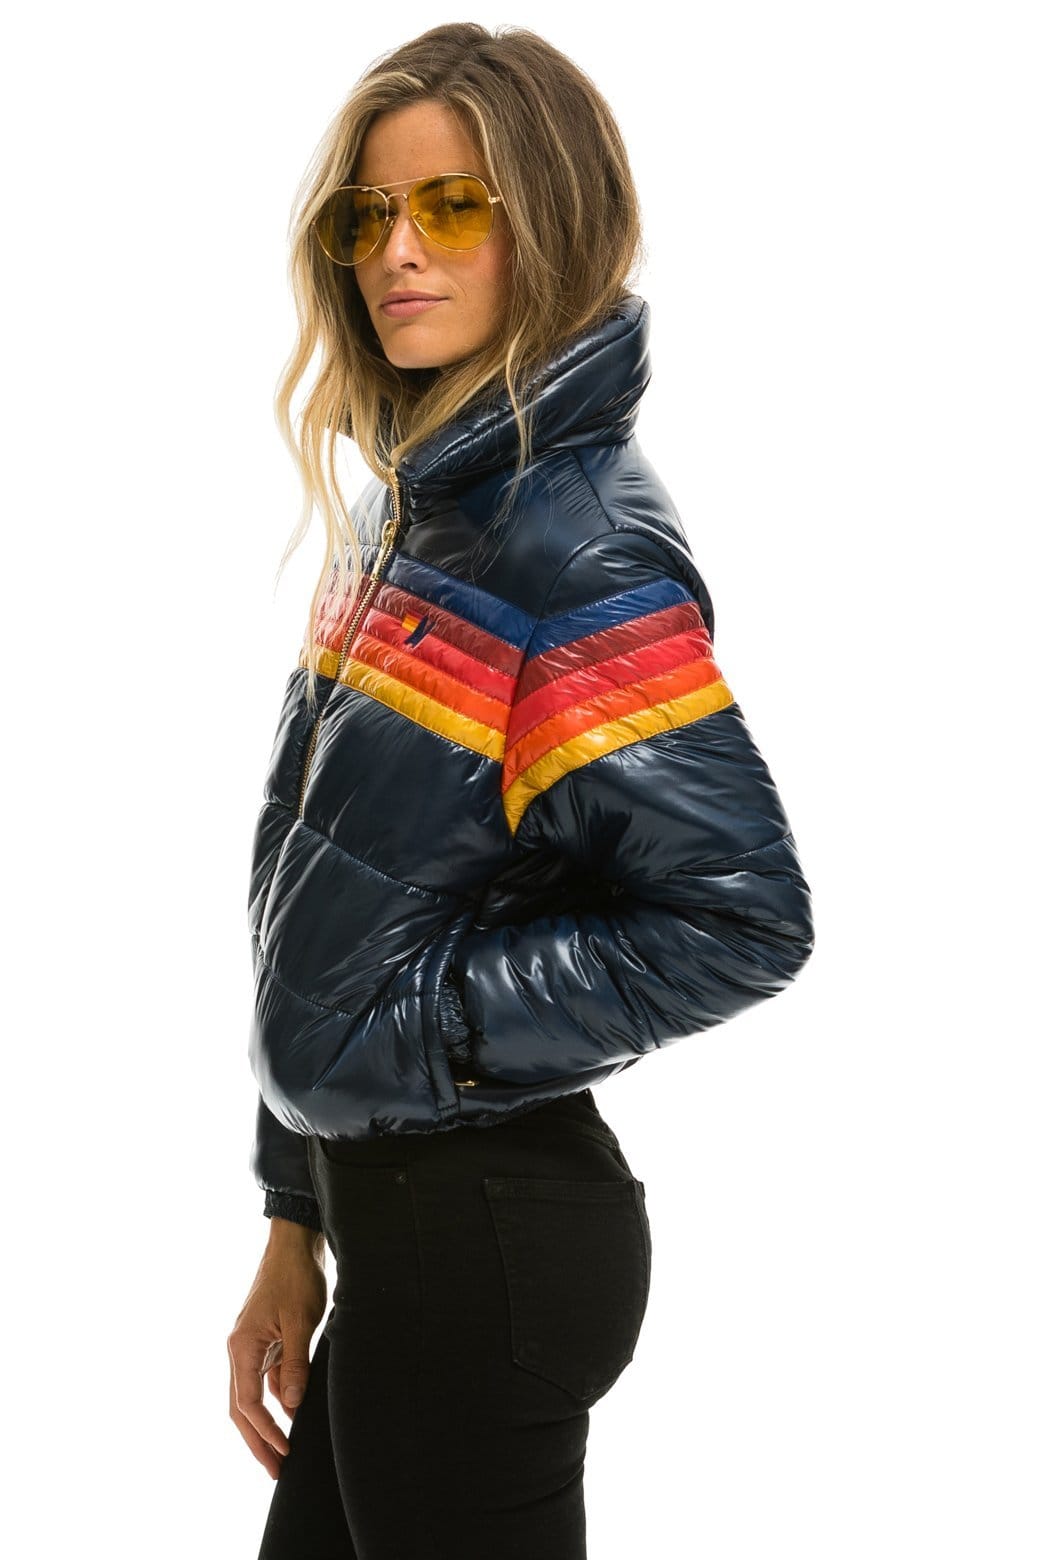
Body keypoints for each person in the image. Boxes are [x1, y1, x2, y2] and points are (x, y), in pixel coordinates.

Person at [226, 22, 814, 1560]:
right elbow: (322, 898)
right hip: (400, 1231)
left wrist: (417, 1030)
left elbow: (740, 914)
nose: (397, 252)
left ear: (550, 223)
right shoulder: (418, 520)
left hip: (485, 1249)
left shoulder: (573, 548)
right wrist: (296, 1214)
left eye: (454, 206)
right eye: (368, 214)